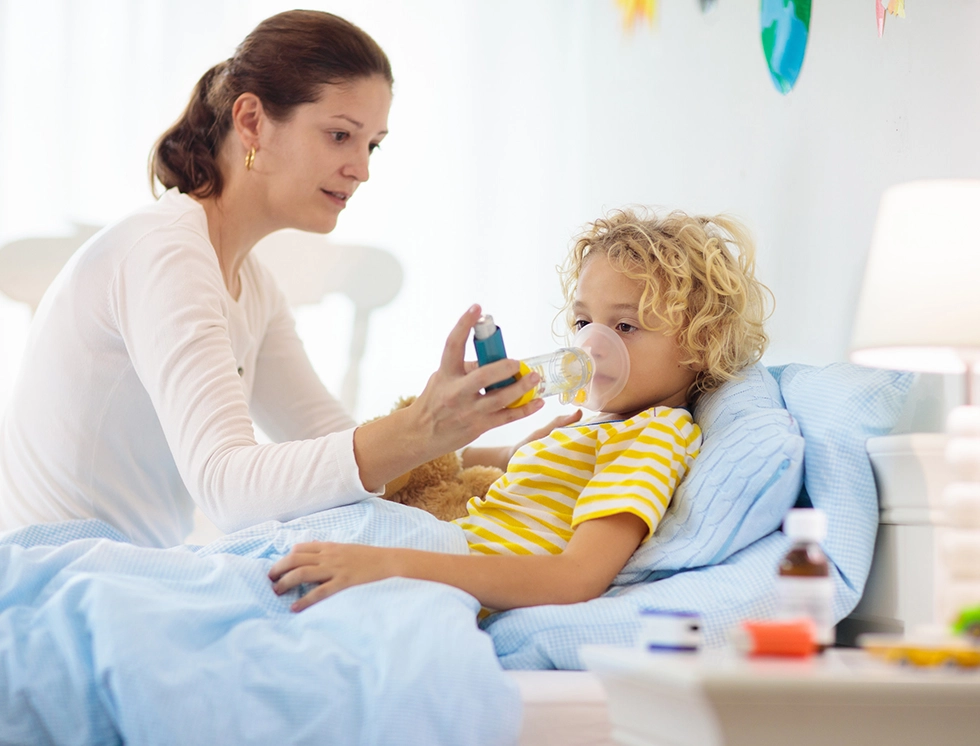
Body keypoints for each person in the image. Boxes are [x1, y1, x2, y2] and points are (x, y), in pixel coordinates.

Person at [0, 10, 554, 548]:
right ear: (251, 122)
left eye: (372, 144)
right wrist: (418, 427)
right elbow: (228, 488)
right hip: (58, 573)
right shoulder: (164, 253)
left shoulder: (251, 283)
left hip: (135, 568)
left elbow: (328, 443)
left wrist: (494, 454)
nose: (362, 167)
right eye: (340, 135)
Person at [269, 207, 773, 612]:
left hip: (439, 573)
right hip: (434, 548)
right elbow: (465, 473)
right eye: (582, 323)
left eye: (625, 327)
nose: (591, 346)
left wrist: (392, 565)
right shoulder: (596, 431)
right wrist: (509, 451)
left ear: (700, 345)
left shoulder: (655, 437)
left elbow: (575, 577)